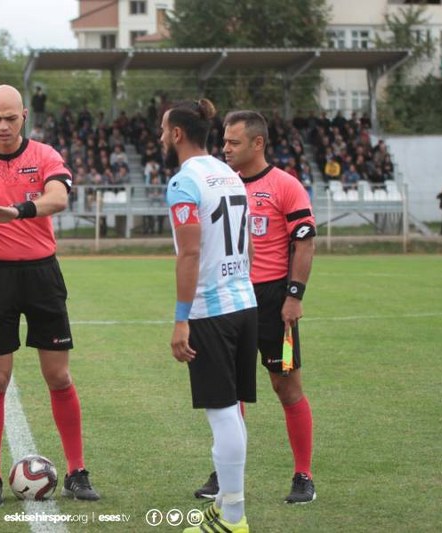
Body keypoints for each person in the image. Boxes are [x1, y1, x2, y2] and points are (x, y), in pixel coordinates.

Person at [0, 84, 99, 506]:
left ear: (24, 116)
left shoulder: (45, 156)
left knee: (59, 376)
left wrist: (18, 212)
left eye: (11, 118)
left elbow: (58, 198)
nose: (3, 126)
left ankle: (77, 471)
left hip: (42, 274)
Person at [163, 99, 257, 533]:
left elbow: (190, 253)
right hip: (244, 301)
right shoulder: (230, 174)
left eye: (164, 130)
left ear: (177, 134)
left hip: (212, 310)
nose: (161, 137)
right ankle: (224, 504)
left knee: (221, 413)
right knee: (231, 410)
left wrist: (182, 318)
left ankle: (234, 517)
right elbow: (247, 244)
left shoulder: (184, 181)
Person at [220, 110, 317, 505]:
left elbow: (305, 243)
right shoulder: (221, 184)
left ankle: (303, 475)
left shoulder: (285, 185)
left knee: (285, 386)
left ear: (257, 143)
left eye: (234, 142)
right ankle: (226, 474)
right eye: (224, 141)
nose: (226, 149)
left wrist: (294, 296)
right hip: (230, 296)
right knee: (229, 392)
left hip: (273, 299)